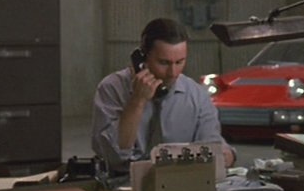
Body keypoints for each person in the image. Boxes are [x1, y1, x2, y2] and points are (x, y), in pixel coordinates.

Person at [92, 18, 236, 174]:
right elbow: (113, 155)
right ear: (142, 57)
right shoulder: (112, 88)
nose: (172, 73)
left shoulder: (196, 95)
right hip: (123, 179)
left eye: (179, 62)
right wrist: (137, 101)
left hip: (179, 180)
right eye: (164, 63)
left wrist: (226, 155)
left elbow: (212, 145)